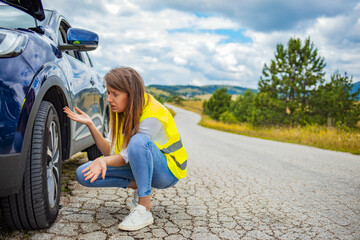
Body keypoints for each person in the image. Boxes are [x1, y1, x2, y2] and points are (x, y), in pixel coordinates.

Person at [63, 67, 187, 231]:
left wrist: (102, 161)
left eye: (115, 94)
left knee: (138, 141)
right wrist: (91, 125)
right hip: (141, 165)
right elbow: (110, 152)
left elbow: (126, 155)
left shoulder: (154, 114)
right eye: (108, 93)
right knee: (83, 174)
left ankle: (144, 208)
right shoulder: (120, 112)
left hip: (167, 172)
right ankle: (140, 185)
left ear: (131, 93)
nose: (108, 99)